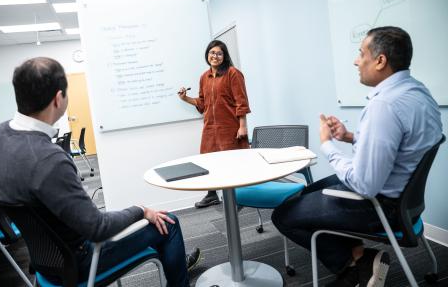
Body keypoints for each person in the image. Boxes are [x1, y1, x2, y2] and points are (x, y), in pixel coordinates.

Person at [0, 57, 201, 286]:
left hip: (45, 264)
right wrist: (141, 210)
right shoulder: (50, 159)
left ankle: (174, 262)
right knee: (169, 223)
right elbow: (98, 228)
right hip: (82, 262)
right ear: (59, 99)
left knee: (148, 225)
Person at [272, 26, 442, 287]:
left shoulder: (383, 106)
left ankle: (356, 265)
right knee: (305, 195)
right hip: (405, 200)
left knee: (283, 215)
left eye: (361, 53)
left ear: (380, 60)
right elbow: (402, 146)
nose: (355, 60)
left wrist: (327, 145)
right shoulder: (419, 93)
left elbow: (365, 185)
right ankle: (359, 257)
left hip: (379, 204)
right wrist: (350, 136)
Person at [178, 40, 251, 208]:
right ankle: (212, 195)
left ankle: (238, 196)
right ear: (207, 55)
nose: (215, 56)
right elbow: (202, 103)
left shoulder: (233, 73)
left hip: (229, 126)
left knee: (231, 161)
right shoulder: (204, 77)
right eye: (212, 53)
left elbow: (241, 102)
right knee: (208, 160)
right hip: (210, 127)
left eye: (219, 53)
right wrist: (185, 99)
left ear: (224, 57)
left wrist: (242, 125)